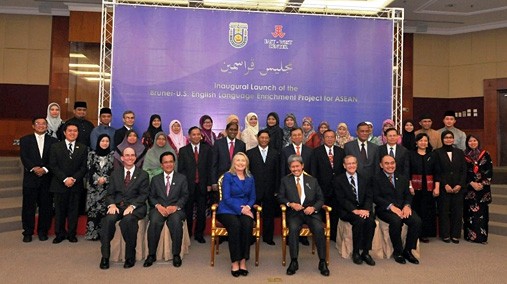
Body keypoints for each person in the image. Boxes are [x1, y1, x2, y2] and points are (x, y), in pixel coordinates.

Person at [277, 154, 329, 276]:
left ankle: (322, 261)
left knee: (319, 229)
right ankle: (294, 261)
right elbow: (280, 197)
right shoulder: (285, 180)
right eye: (292, 167)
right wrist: (290, 204)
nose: (295, 169)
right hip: (295, 213)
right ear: (289, 168)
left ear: (302, 166)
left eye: (297, 166)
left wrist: (314, 208)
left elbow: (321, 199)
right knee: (293, 229)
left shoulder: (312, 180)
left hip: (311, 213)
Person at [99, 147, 149, 269]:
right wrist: (111, 204)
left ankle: (130, 256)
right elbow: (110, 194)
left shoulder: (143, 174)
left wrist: (132, 206)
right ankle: (105, 256)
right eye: (127, 155)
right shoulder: (115, 174)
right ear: (122, 158)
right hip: (118, 206)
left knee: (128, 221)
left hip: (136, 207)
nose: (130, 157)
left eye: (132, 155)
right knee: (107, 221)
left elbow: (144, 195)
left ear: (135, 158)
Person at [373, 155, 421, 264]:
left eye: (392, 163)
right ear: (381, 165)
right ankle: (398, 251)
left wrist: (407, 206)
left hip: (403, 208)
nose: (390, 166)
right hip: (384, 209)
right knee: (396, 221)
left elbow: (408, 194)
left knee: (416, 221)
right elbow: (376, 197)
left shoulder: (402, 177)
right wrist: (391, 207)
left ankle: (408, 250)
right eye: (387, 163)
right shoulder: (376, 178)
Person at [144, 151, 189, 268]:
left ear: (174, 163)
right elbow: (151, 196)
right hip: (159, 208)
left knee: (175, 222)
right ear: (161, 165)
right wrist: (158, 206)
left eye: (171, 162)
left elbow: (185, 196)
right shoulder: (155, 179)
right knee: (154, 221)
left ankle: (176, 255)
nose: (168, 164)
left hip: (175, 209)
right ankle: (151, 254)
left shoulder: (182, 178)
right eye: (165, 162)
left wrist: (176, 207)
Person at [216, 152, 256, 277]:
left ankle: (243, 260)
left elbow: (253, 196)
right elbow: (226, 198)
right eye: (238, 160)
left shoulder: (250, 177)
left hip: (245, 208)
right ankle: (235, 261)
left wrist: (248, 207)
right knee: (235, 226)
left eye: (243, 161)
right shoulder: (228, 176)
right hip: (227, 209)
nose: (240, 163)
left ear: (247, 163)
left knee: (247, 224)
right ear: (233, 162)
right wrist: (241, 210)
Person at [20, 117, 58, 242]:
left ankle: (43, 231)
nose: (41, 126)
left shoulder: (53, 141)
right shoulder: (25, 140)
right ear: (33, 126)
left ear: (47, 126)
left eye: (43, 124)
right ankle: (28, 232)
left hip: (46, 178)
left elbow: (53, 159)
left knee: (45, 207)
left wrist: (45, 169)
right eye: (38, 123)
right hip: (31, 178)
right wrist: (33, 168)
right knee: (28, 207)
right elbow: (24, 157)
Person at [333, 155, 376, 266]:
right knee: (359, 221)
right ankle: (356, 252)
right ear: (344, 165)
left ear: (356, 165)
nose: (351, 166)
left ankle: (366, 253)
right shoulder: (338, 180)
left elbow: (369, 196)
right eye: (348, 164)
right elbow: (341, 199)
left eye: (353, 163)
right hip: (347, 211)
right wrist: (354, 210)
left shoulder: (364, 178)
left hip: (363, 209)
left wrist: (366, 209)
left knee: (371, 222)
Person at [49, 123, 88, 244]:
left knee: (73, 211)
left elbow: (84, 167)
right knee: (59, 211)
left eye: (75, 131)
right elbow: (53, 165)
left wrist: (73, 179)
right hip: (59, 184)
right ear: (65, 132)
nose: (72, 133)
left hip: (76, 185)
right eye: (70, 131)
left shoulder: (83, 147)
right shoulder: (56, 147)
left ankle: (72, 234)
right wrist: (65, 179)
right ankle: (59, 234)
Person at [178, 126, 213, 243]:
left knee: (201, 211)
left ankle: (199, 234)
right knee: (188, 211)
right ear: (189, 136)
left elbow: (210, 168)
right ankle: (187, 233)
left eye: (198, 134)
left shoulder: (207, 149)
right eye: (194, 134)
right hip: (188, 186)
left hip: (203, 185)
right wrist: (183, 185)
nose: (196, 136)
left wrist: (209, 183)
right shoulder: (183, 151)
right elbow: (181, 170)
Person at [311, 129, 345, 242]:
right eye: (327, 137)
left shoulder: (341, 151)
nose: (330, 139)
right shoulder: (316, 152)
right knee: (320, 212)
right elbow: (313, 172)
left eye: (332, 137)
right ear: (323, 139)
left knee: (335, 212)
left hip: (337, 189)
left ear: (335, 138)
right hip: (322, 188)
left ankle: (333, 235)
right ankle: (321, 235)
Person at [247, 129, 280, 245]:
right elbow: (247, 173)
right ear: (258, 138)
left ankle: (268, 237)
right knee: (252, 214)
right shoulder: (250, 153)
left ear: (269, 139)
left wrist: (277, 189)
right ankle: (251, 236)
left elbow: (278, 173)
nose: (264, 140)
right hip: (254, 189)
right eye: (262, 137)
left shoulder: (276, 153)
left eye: (266, 138)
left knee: (269, 214)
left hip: (270, 189)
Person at [434, 130, 467, 243]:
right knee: (444, 211)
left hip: (458, 187)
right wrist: (445, 185)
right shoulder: (437, 152)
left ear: (453, 139)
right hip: (445, 188)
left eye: (450, 137)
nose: (448, 139)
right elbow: (437, 171)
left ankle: (455, 234)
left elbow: (464, 171)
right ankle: (445, 234)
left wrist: (460, 184)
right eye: (446, 137)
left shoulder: (459, 152)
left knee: (457, 212)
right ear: (442, 139)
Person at [409, 133, 439, 243]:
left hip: (429, 187)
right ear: (416, 143)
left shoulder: (432, 155)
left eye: (425, 141)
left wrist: (437, 187)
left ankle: (425, 234)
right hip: (415, 188)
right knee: (416, 210)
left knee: (427, 210)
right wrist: (410, 186)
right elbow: (407, 172)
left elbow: (437, 172)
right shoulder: (411, 155)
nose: (423, 143)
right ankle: (415, 233)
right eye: (420, 140)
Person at [464, 135, 493, 244]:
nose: (472, 143)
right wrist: (472, 183)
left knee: (482, 214)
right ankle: (470, 236)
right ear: (467, 143)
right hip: (470, 188)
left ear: (478, 141)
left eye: (474, 140)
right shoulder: (463, 155)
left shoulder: (486, 154)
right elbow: (463, 172)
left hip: (483, 189)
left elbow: (489, 171)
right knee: (469, 213)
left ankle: (482, 237)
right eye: (470, 141)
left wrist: (481, 183)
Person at [85, 134, 115, 240]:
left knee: (103, 211)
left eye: (107, 141)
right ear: (98, 142)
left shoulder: (112, 155)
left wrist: (105, 179)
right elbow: (89, 168)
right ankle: (92, 234)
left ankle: (103, 235)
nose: (105, 143)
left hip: (106, 188)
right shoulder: (91, 154)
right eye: (102, 141)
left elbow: (113, 170)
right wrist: (97, 178)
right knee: (93, 211)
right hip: (93, 187)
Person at [211, 122, 246, 192]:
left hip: (237, 179)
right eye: (231, 129)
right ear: (226, 130)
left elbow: (243, 164)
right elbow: (214, 164)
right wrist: (214, 182)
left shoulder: (241, 144)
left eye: (235, 130)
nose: (233, 132)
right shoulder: (218, 143)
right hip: (221, 178)